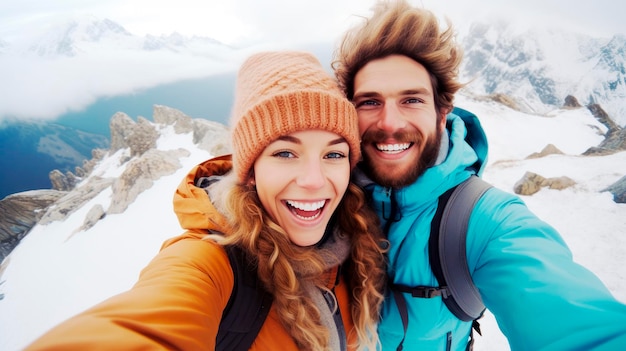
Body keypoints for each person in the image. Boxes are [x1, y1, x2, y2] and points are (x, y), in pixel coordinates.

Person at [25, 51, 388, 351]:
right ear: (249, 170)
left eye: (334, 155)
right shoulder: (210, 261)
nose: (313, 181)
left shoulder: (353, 240)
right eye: (285, 154)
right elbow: (145, 325)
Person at [332, 1, 626, 350]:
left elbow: (586, 332)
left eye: (411, 100)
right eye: (369, 102)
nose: (391, 123)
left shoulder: (483, 222)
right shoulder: (320, 202)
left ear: (443, 114)